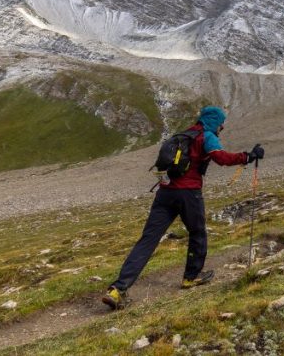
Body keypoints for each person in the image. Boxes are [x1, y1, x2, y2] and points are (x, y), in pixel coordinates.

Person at [102, 106, 264, 310]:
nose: (222, 126)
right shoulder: (206, 136)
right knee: (197, 233)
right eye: (221, 122)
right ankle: (191, 277)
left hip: (165, 193)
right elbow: (222, 159)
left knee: (148, 240)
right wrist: (248, 156)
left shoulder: (183, 134)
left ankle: (117, 289)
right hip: (189, 194)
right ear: (214, 121)